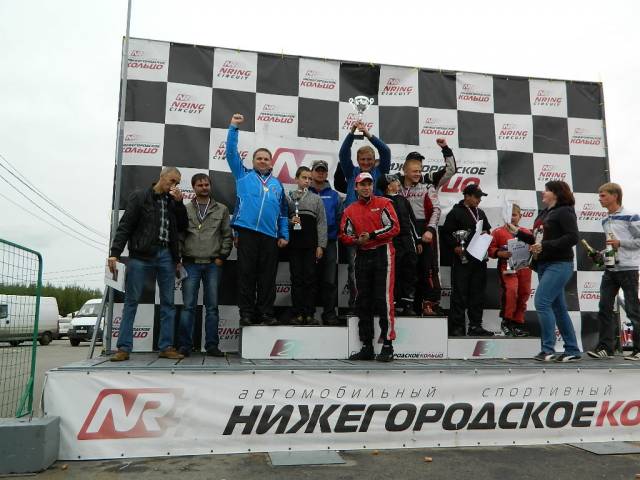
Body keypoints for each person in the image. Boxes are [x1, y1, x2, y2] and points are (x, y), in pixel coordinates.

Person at [108, 167, 188, 361]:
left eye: (177, 183)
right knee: (131, 301)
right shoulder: (140, 196)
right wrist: (115, 253)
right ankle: (124, 348)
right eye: (172, 180)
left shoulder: (173, 202)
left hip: (166, 255)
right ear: (162, 176)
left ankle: (166, 347)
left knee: (168, 303)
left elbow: (183, 226)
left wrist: (179, 204)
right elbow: (125, 225)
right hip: (140, 255)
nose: (174, 185)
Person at [226, 113, 289, 326]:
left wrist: (284, 235)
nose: (262, 161)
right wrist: (233, 128)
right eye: (259, 158)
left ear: (271, 163)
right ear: (253, 161)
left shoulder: (277, 185)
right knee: (246, 275)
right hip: (247, 233)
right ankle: (246, 313)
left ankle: (266, 313)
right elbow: (230, 153)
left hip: (270, 236)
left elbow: (283, 213)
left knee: (267, 277)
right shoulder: (243, 175)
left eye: (266, 158)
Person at [509, 181, 581, 362]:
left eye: (547, 190)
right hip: (543, 264)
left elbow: (573, 237)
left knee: (541, 302)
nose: (543, 192)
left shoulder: (565, 211)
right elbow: (537, 238)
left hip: (559, 263)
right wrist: (518, 232)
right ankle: (572, 349)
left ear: (556, 193)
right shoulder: (544, 213)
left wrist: (545, 246)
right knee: (558, 308)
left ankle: (548, 350)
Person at [339, 172, 400, 362]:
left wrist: (372, 235)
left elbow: (395, 227)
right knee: (363, 300)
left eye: (369, 184)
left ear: (373, 186)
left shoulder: (384, 203)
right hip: (362, 254)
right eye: (362, 185)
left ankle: (388, 346)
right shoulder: (350, 210)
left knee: (384, 299)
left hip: (383, 252)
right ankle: (367, 346)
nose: (366, 188)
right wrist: (356, 240)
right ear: (355, 187)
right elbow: (344, 235)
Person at [399, 139, 457, 316]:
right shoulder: (395, 183)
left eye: (420, 166)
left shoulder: (429, 180)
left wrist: (445, 149)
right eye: (414, 167)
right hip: (404, 231)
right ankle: (407, 304)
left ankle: (430, 303)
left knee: (429, 268)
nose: (418, 171)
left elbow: (451, 170)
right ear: (405, 168)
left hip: (425, 228)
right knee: (406, 268)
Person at [177, 173, 233, 357]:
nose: (204, 188)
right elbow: (179, 236)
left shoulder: (221, 209)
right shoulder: (185, 209)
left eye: (206, 184)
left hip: (213, 264)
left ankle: (212, 346)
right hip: (190, 263)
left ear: (210, 186)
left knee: (212, 307)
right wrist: (179, 259)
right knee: (188, 307)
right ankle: (185, 346)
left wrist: (222, 257)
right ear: (193, 187)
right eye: (200, 185)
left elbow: (227, 235)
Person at [339, 121, 391, 313]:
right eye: (363, 159)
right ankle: (356, 305)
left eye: (369, 159)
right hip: (354, 228)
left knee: (377, 270)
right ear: (357, 160)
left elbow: (385, 151)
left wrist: (369, 135)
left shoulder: (379, 171)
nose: (366, 162)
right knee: (354, 268)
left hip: (375, 228)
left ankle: (376, 306)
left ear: (374, 160)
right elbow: (343, 153)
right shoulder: (351, 172)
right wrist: (352, 133)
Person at [586, 183, 640, 360]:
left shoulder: (631, 215)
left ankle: (639, 349)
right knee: (604, 307)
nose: (599, 199)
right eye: (599, 195)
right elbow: (612, 245)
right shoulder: (605, 220)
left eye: (603, 195)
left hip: (628, 269)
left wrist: (621, 243)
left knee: (632, 310)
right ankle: (606, 348)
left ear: (615, 196)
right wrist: (600, 254)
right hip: (611, 269)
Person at [441, 183, 494, 337]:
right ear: (467, 196)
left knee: (477, 293)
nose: (479, 200)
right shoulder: (455, 212)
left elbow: (487, 230)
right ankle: (457, 327)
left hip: (479, 259)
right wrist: (455, 247)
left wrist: (485, 235)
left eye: (480, 197)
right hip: (462, 259)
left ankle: (475, 325)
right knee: (459, 293)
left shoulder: (481, 213)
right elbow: (446, 234)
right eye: (477, 197)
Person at [287, 166, 328, 325]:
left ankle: (309, 314)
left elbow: (322, 223)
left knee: (310, 279)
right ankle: (297, 313)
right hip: (294, 245)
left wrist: (321, 245)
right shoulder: (289, 197)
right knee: (296, 279)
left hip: (311, 245)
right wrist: (290, 221)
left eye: (309, 178)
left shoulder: (316, 199)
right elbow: (281, 218)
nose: (307, 181)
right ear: (296, 179)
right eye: (304, 177)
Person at [376, 173, 420, 316]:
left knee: (410, 272)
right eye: (395, 181)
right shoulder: (381, 202)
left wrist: (418, 240)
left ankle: (408, 304)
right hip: (392, 241)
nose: (398, 182)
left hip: (408, 241)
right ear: (389, 186)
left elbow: (412, 221)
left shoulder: (403, 200)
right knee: (393, 273)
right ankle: (393, 304)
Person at [488, 204, 532, 337]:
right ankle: (506, 321)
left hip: (524, 267)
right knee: (511, 291)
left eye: (514, 215)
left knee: (524, 293)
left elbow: (533, 246)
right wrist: (500, 253)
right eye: (509, 215)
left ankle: (517, 323)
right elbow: (490, 249)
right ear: (504, 216)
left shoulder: (526, 232)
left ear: (520, 216)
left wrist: (533, 250)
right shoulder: (498, 232)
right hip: (507, 267)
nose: (512, 218)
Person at [309, 160, 343, 325]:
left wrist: (334, 234)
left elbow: (340, 217)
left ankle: (329, 314)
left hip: (329, 242)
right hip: (309, 243)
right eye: (318, 170)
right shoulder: (304, 192)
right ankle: (308, 314)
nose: (320, 173)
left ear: (327, 173)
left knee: (329, 281)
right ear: (312, 172)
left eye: (323, 170)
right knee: (309, 279)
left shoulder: (334, 195)